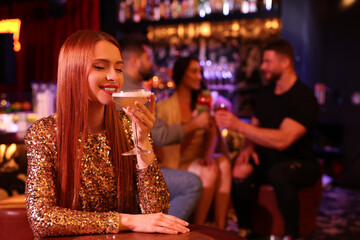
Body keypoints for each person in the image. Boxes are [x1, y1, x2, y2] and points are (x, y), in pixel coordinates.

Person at [24, 30, 189, 238]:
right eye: (100, 67)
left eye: (119, 68)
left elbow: (156, 211)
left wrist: (143, 142)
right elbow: (41, 218)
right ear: (73, 70)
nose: (114, 77)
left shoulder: (127, 125)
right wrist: (125, 219)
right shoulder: (44, 133)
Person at [214, 39, 321, 240]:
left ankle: (292, 234)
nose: (263, 67)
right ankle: (246, 231)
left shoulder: (304, 98)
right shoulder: (265, 94)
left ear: (285, 62)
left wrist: (237, 125)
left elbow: (283, 140)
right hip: (268, 159)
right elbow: (254, 127)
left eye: (267, 61)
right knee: (240, 169)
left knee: (279, 174)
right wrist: (247, 148)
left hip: (300, 162)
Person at [118, 34, 203, 221]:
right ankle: (163, 231)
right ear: (134, 60)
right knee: (192, 183)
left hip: (135, 162)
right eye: (147, 58)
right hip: (129, 169)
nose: (152, 63)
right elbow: (160, 135)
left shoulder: (129, 87)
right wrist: (195, 125)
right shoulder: (130, 92)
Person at [156, 56, 232, 229]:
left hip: (197, 159)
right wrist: (193, 125)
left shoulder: (202, 102)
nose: (199, 77)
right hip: (176, 160)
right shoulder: (164, 108)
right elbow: (170, 148)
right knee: (209, 170)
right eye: (194, 71)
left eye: (200, 72)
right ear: (182, 75)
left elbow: (212, 132)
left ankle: (221, 228)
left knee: (224, 163)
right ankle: (200, 227)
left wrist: (208, 155)